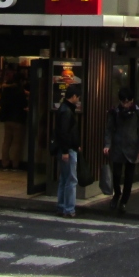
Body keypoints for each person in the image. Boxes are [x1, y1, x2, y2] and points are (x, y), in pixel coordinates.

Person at [103, 87, 139, 214]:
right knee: (116, 175)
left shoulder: (138, 113)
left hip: (132, 148)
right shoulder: (115, 112)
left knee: (129, 177)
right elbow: (109, 129)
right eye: (123, 102)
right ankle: (117, 194)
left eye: (127, 102)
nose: (125, 105)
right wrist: (107, 144)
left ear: (131, 101)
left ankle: (124, 201)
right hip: (118, 147)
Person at [53, 84, 82, 217]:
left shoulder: (63, 109)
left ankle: (62, 206)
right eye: (78, 97)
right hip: (68, 150)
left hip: (66, 148)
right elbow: (65, 133)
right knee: (71, 179)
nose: (78, 100)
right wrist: (67, 150)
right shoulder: (67, 111)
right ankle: (69, 209)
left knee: (64, 178)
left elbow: (63, 132)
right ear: (74, 96)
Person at [0, 73, 28, 171]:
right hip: (18, 119)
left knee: (6, 142)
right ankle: (15, 165)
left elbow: (2, 102)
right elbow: (24, 104)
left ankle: (5, 164)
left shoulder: (6, 90)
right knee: (16, 143)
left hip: (7, 119)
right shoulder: (20, 91)